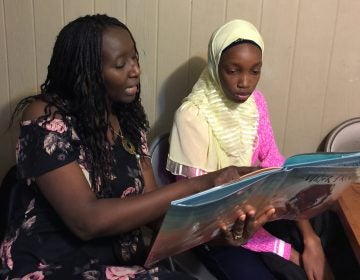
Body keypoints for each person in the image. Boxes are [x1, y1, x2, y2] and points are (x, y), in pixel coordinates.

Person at [0, 15, 275, 279]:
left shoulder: (128, 121)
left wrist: (219, 234)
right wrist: (203, 183)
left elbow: (157, 218)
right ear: (85, 72)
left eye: (135, 58)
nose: (136, 70)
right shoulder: (45, 117)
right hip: (51, 265)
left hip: (121, 263)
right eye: (121, 64)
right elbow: (86, 220)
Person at [167, 19, 338, 280]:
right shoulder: (191, 117)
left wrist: (310, 239)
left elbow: (278, 168)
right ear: (215, 67)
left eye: (255, 71)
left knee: (328, 226)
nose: (245, 82)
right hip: (217, 233)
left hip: (260, 210)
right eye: (233, 70)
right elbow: (202, 213)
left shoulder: (255, 104)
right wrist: (284, 251)